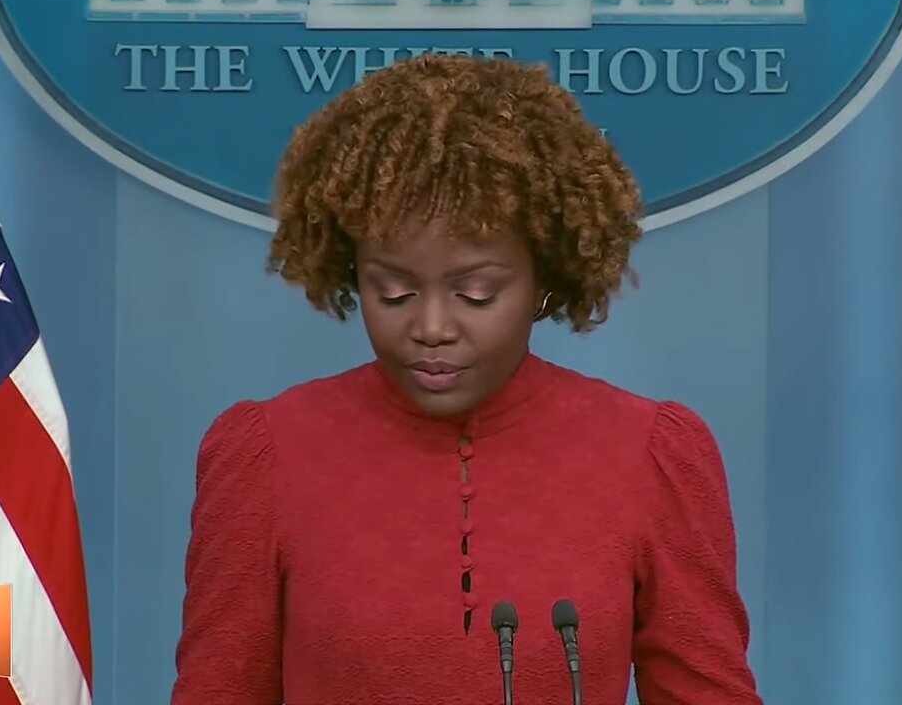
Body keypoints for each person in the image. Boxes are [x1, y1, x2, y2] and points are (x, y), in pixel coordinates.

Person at [170, 53, 763, 705]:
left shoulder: (653, 453)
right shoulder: (266, 456)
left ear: (545, 276)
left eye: (476, 293)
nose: (430, 326)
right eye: (392, 290)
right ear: (349, 271)